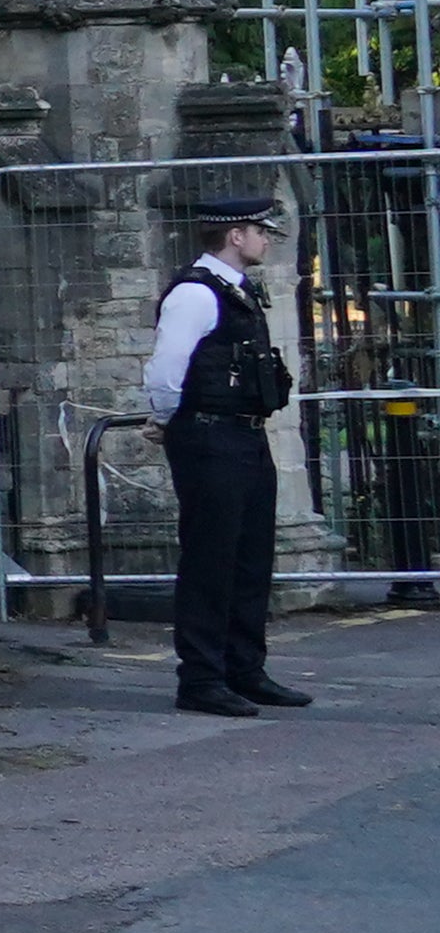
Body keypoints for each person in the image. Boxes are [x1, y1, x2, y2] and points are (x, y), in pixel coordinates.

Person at [142, 196, 307, 719]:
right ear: (235, 235)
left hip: (243, 434)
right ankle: (201, 678)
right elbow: (167, 367)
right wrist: (167, 419)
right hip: (210, 436)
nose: (265, 239)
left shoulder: (237, 290)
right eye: (260, 231)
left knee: (249, 556)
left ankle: (244, 669)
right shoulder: (195, 293)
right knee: (211, 558)